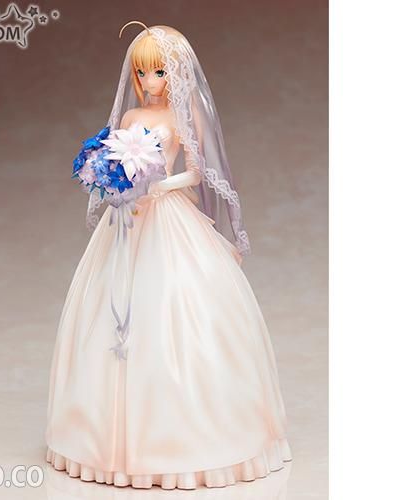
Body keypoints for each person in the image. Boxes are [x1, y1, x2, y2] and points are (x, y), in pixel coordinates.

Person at [45, 21, 292, 489]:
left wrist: (159, 185)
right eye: (142, 73)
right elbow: (116, 160)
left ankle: (188, 439)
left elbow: (197, 172)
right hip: (128, 219)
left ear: (175, 73)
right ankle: (101, 438)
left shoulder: (185, 114)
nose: (149, 81)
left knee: (179, 308)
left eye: (158, 72)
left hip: (167, 213)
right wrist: (114, 180)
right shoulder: (129, 116)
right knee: (108, 308)